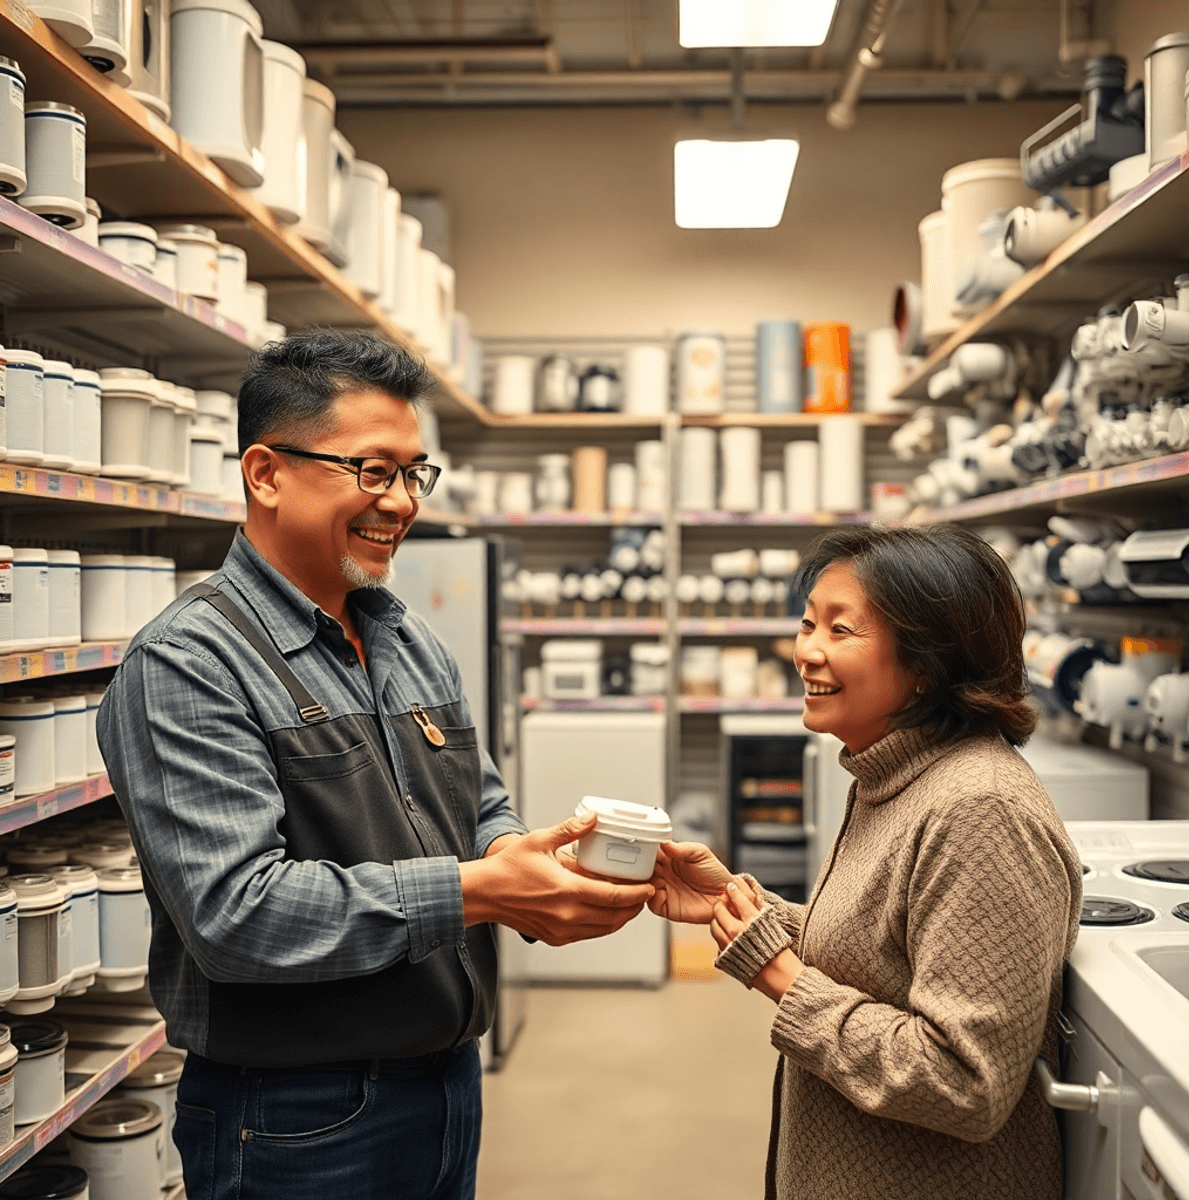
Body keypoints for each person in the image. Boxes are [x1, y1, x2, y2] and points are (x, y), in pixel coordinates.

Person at [98, 330, 654, 1200]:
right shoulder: (189, 662)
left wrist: (523, 863)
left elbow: (480, 806)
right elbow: (237, 916)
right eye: (372, 470)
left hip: (445, 1083)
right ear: (266, 473)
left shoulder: (406, 637)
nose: (400, 501)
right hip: (295, 1114)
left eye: (412, 474)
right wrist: (481, 890)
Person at [650, 523, 1082, 1200]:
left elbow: (966, 1082)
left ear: (927, 662)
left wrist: (784, 980)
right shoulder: (896, 779)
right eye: (806, 623)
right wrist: (745, 907)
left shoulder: (978, 810)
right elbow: (883, 954)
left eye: (839, 631)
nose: (805, 652)